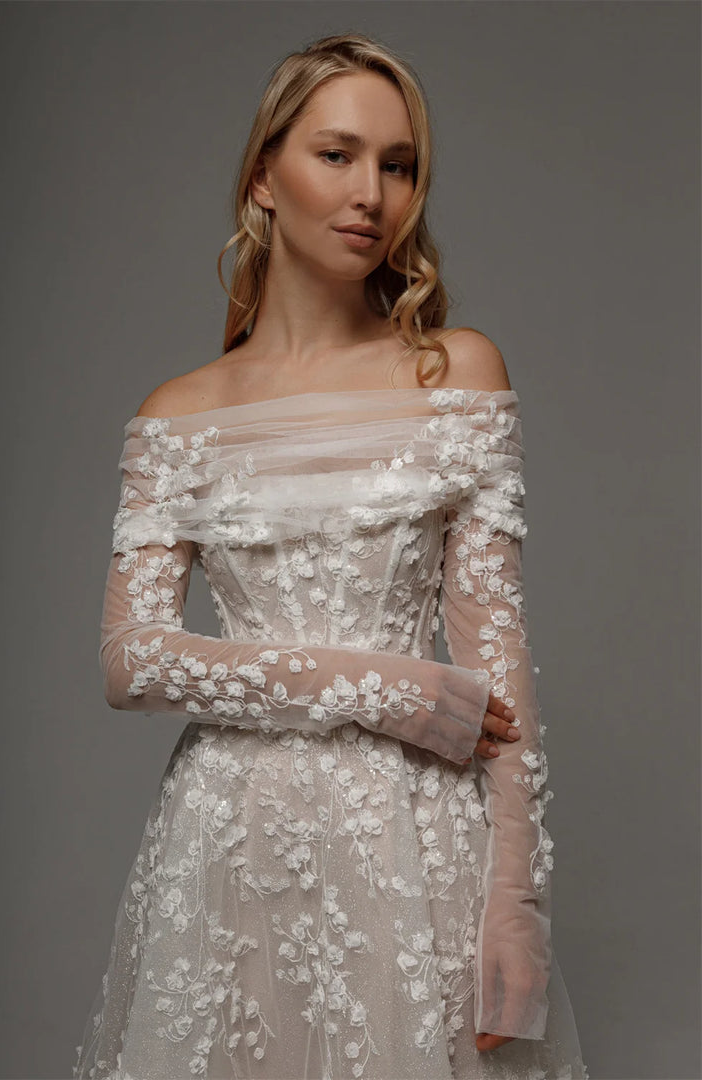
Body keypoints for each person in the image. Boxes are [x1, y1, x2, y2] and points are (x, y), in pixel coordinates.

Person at [73, 32, 588, 1080]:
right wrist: (378, 684)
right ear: (264, 176)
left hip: (415, 841)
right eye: (338, 155)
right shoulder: (177, 416)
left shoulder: (457, 375)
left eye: (399, 166)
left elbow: (503, 674)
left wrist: (518, 910)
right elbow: (132, 663)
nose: (374, 195)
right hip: (230, 844)